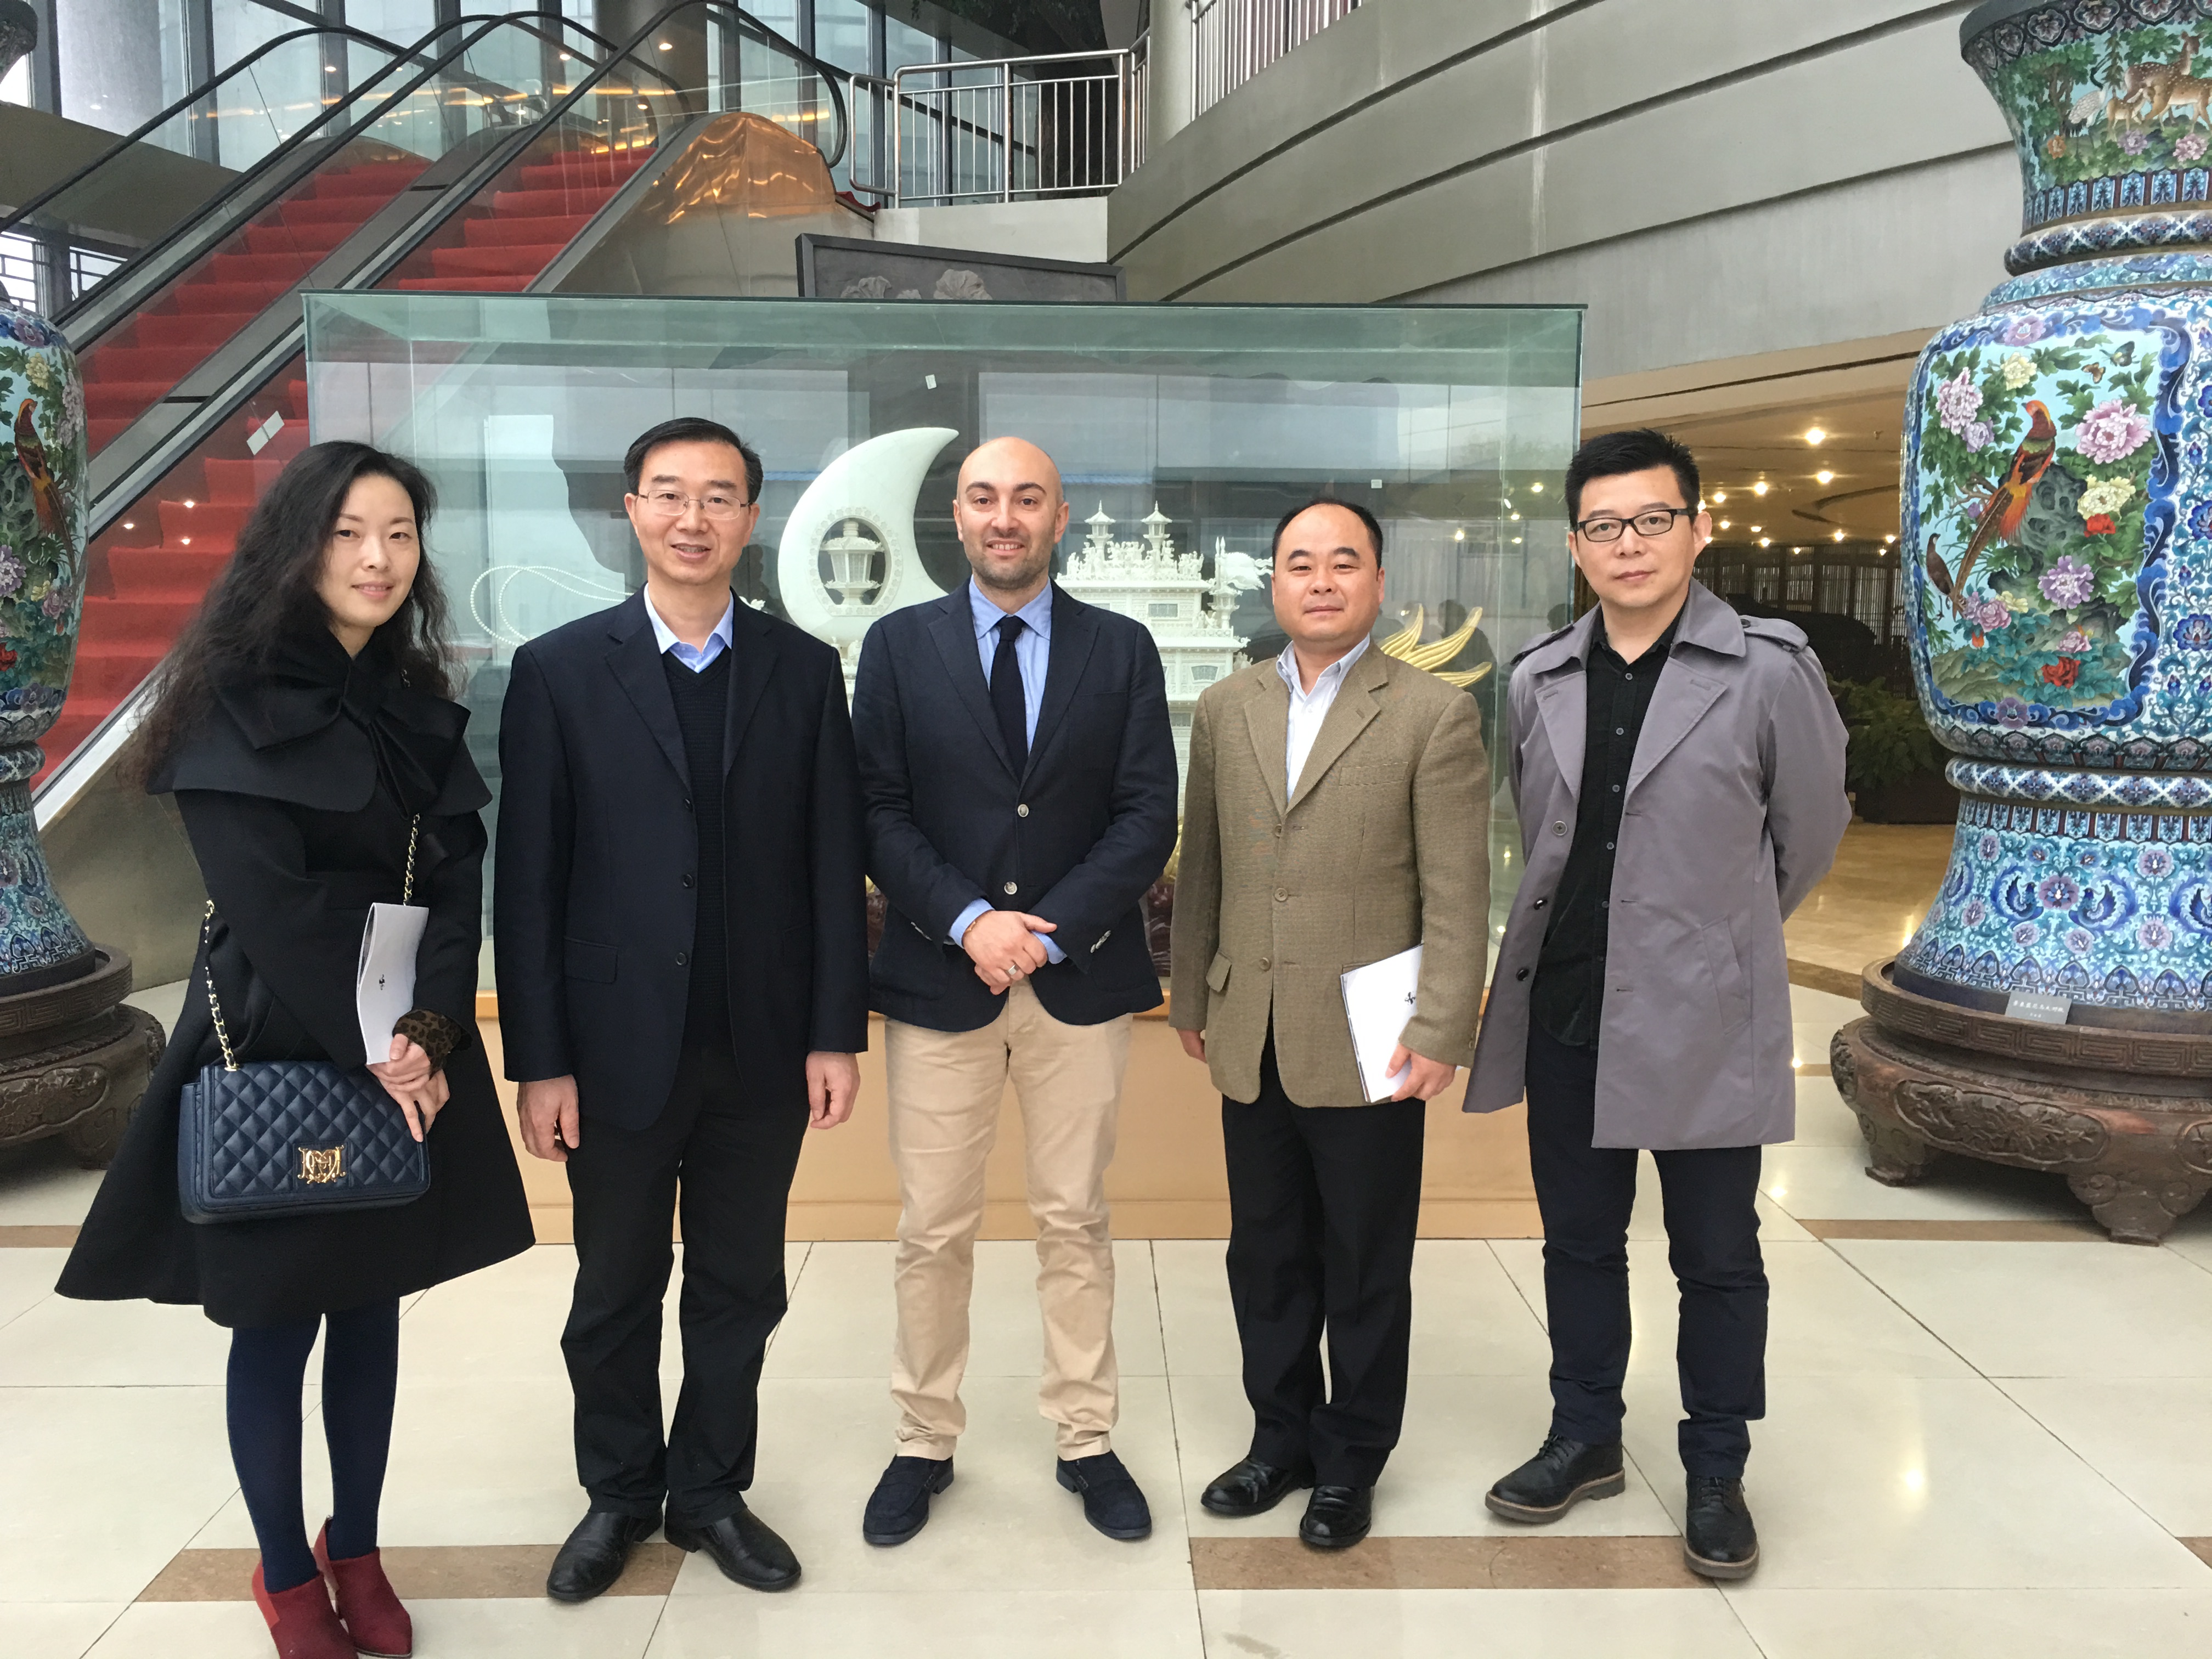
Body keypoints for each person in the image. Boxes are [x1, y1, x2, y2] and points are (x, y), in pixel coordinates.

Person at [57, 441, 534, 1659]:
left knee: (371, 1311)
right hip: (275, 1040)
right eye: (348, 534)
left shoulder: (414, 697)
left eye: (400, 535)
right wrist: (380, 1040)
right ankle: (282, 1574)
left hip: (406, 1042)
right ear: (296, 547)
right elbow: (271, 902)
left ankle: (356, 1548)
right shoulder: (229, 699)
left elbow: (458, 879)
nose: (378, 559)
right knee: (273, 1324)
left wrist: (430, 1030)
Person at [1466, 428, 1849, 1581]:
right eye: (1604, 526)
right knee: (1579, 1243)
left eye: (1651, 520)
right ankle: (1584, 1435)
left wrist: (1718, 943)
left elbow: (1809, 832)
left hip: (1705, 1018)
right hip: (1569, 1010)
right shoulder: (1539, 677)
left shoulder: (1768, 669)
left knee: (1717, 1255)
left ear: (1697, 528)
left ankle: (1717, 1466)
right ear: (1575, 546)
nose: (1628, 544)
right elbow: (1542, 832)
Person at [494, 416, 867, 1599]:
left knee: (740, 1285)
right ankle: (618, 1492)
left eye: (717, 497)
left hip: (762, 1048)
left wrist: (835, 1032)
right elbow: (528, 881)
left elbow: (831, 863)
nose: (692, 518)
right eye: (669, 493)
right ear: (633, 510)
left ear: (750, 518)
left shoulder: (803, 670)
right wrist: (539, 1058)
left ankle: (709, 1492)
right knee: (613, 1287)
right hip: (611, 1053)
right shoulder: (559, 671)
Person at [849, 437, 1178, 1547]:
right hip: (941, 978)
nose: (1005, 517)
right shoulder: (898, 647)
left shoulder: (1121, 649)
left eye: (1027, 499)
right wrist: (969, 921)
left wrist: (1046, 933)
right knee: (932, 1228)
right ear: (957, 515)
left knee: (1074, 1219)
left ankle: (1086, 1438)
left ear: (1059, 516)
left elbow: (1148, 812)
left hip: (1076, 981)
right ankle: (922, 1440)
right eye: (985, 498)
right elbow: (877, 809)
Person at [1169, 498, 1489, 1551]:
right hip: (1250, 1028)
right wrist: (1191, 997)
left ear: (1377, 584)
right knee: (1264, 1255)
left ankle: (1351, 1461)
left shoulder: (1433, 713)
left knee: (1363, 1262)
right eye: (1299, 563)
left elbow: (1457, 892)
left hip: (1371, 1040)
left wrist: (1442, 1027)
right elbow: (1205, 866)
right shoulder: (1227, 707)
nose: (1320, 580)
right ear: (1274, 583)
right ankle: (1280, 1440)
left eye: (1343, 562)